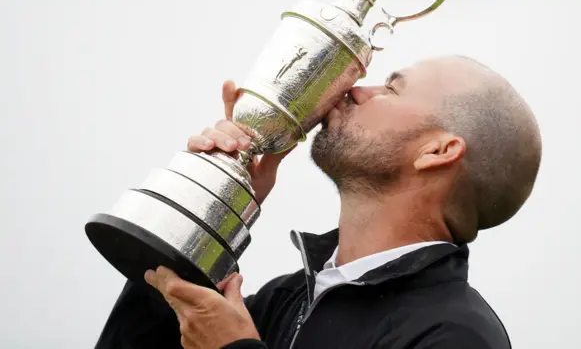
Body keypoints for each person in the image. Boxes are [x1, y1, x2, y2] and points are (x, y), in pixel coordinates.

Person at [93, 55, 542, 349]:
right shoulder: (287, 299)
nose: (357, 90)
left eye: (392, 88)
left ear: (438, 151)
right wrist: (219, 200)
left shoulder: (455, 335)